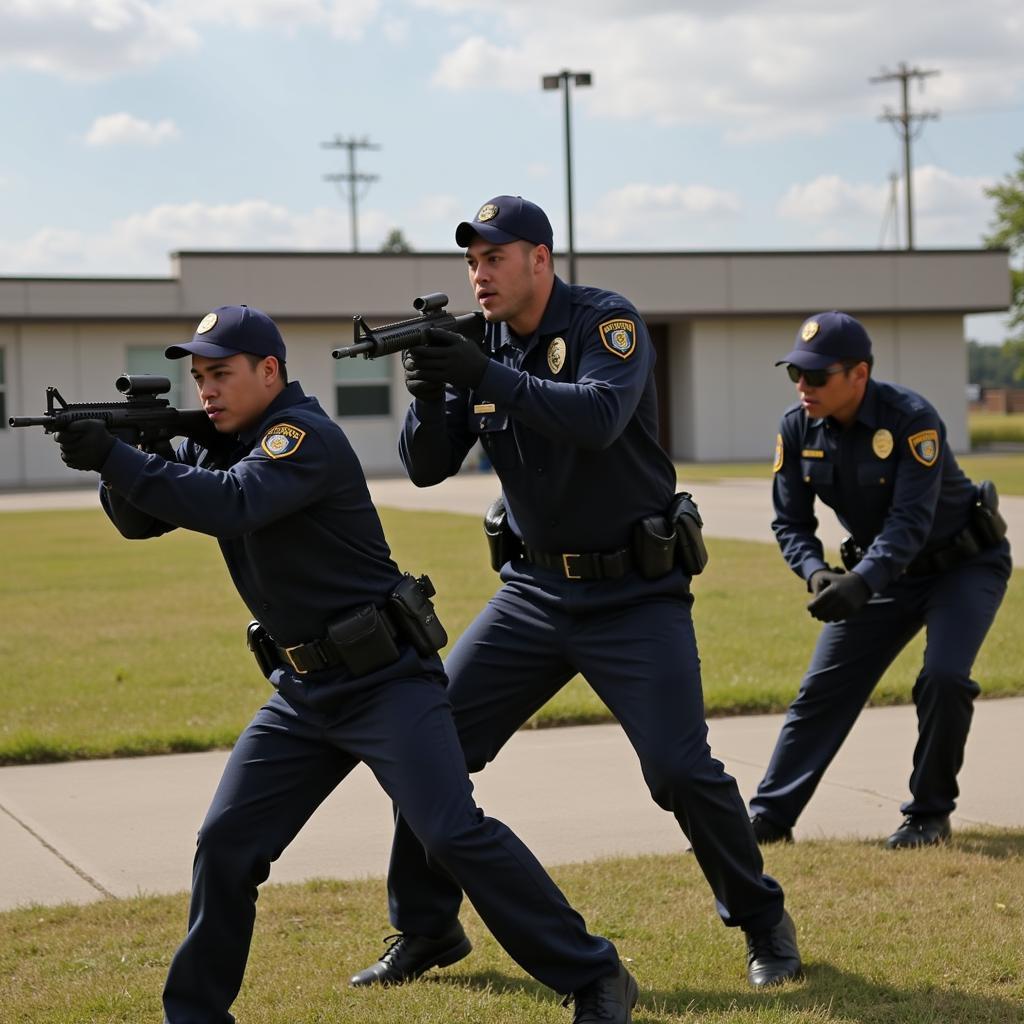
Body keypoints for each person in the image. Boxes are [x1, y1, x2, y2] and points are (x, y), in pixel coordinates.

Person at [53, 303, 639, 1024]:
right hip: (303, 691)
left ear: (270, 372)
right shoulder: (223, 439)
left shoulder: (304, 438)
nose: (205, 390)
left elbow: (230, 505)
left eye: (221, 374)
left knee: (452, 833)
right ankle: (196, 1015)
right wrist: (114, 458)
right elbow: (145, 519)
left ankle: (595, 974)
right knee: (227, 843)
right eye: (199, 377)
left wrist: (117, 456)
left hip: (386, 682)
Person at [350, 195, 803, 991]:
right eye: (470, 261)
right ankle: (426, 930)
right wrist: (428, 391)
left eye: (494, 257)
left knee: (678, 770)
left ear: (540, 260)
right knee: (430, 745)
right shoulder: (476, 343)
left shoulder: (605, 323)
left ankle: (761, 919)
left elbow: (597, 418)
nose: (478, 274)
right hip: (533, 592)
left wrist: (484, 374)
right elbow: (426, 466)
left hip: (634, 592)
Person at [748, 311, 1012, 849]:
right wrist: (817, 572)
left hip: (961, 566)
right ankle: (770, 819)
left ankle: (928, 816)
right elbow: (789, 521)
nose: (804, 386)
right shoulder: (796, 427)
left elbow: (910, 523)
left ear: (859, 375)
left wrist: (861, 582)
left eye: (817, 376)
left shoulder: (911, 419)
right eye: (795, 373)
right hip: (881, 575)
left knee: (943, 678)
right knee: (822, 690)